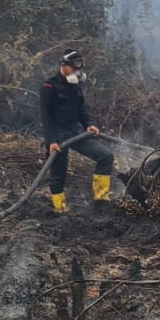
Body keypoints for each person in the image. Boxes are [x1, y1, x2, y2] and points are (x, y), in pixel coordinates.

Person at [40, 50, 115, 213]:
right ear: (63, 66)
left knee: (106, 156)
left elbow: (81, 108)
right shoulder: (49, 85)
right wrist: (51, 141)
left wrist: (88, 124)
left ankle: (101, 200)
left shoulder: (75, 84)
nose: (77, 72)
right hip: (58, 135)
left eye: (79, 68)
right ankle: (59, 207)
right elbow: (46, 116)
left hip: (76, 131)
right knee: (58, 173)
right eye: (74, 68)